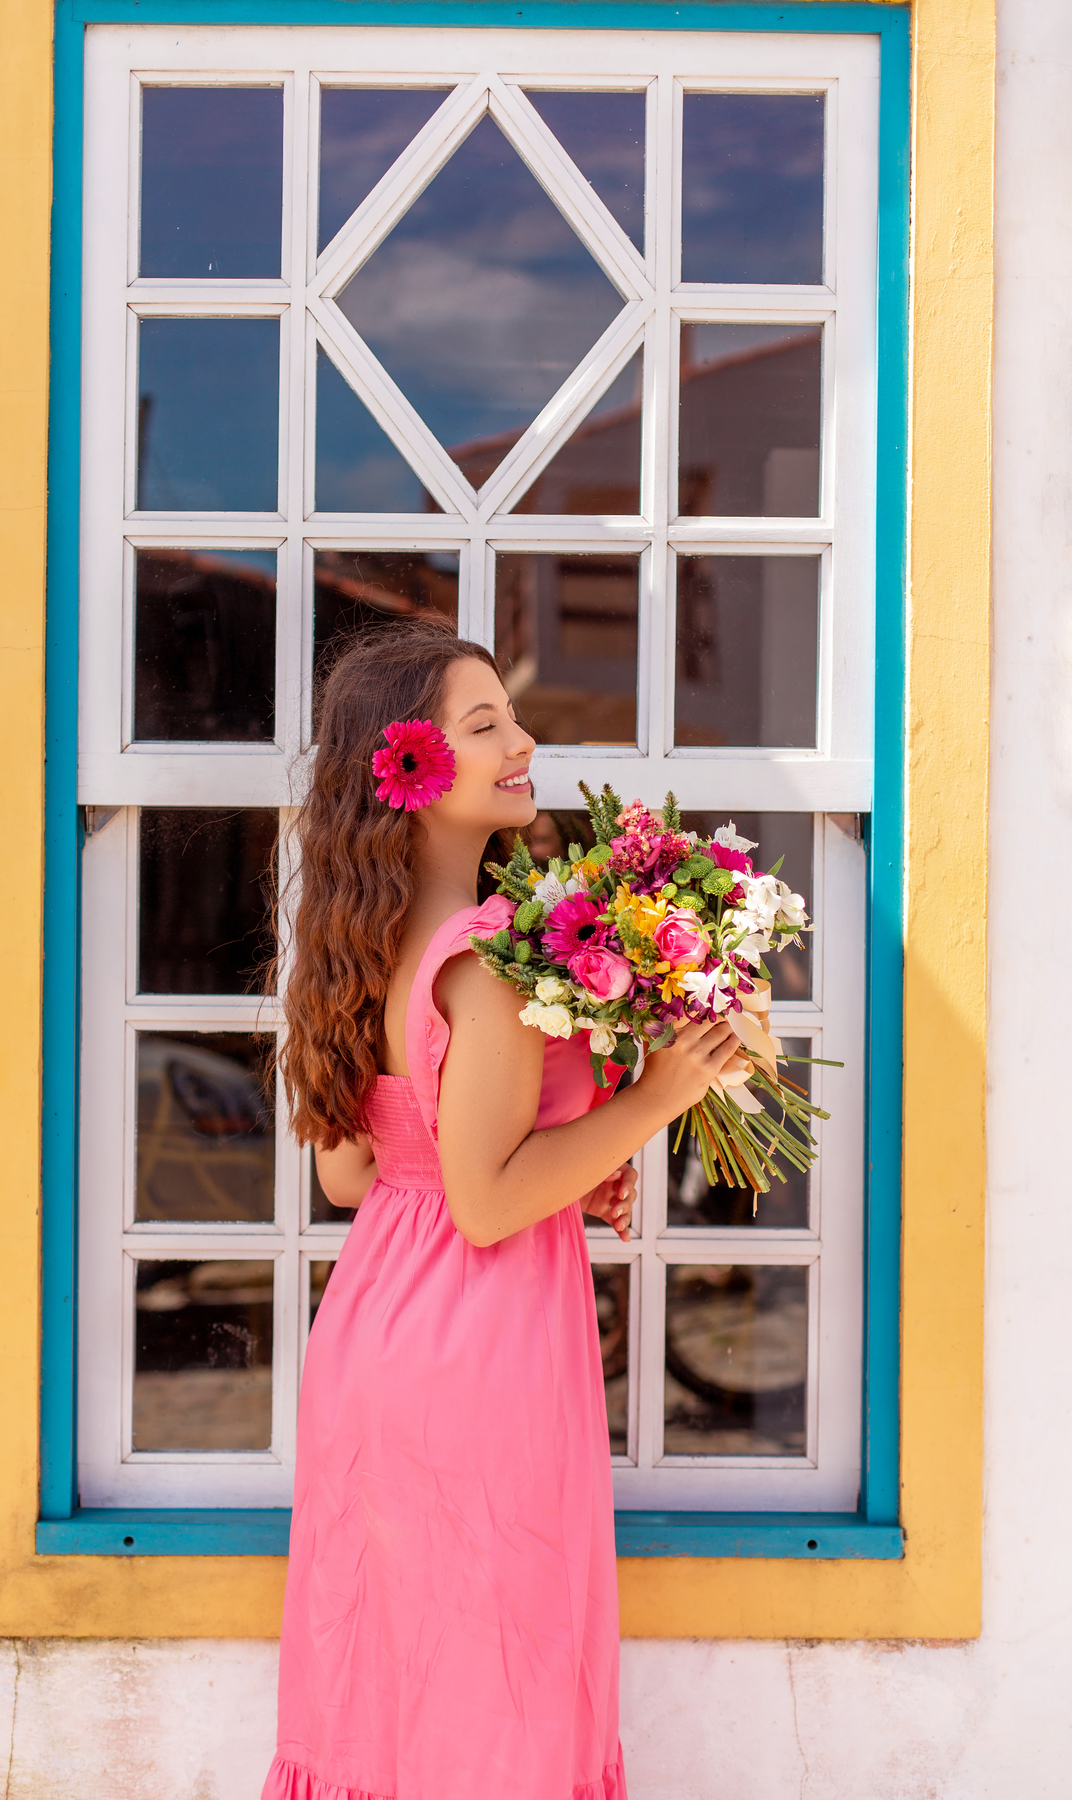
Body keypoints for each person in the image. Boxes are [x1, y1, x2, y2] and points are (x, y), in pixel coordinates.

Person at [262, 621, 745, 1800]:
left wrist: (571, 1159)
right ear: (410, 770)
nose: (524, 742)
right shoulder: (487, 956)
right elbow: (485, 1207)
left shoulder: (347, 944)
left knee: (390, 1687)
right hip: (480, 1355)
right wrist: (663, 1096)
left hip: (376, 1333)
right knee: (495, 1694)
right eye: (487, 726)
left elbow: (351, 1179)